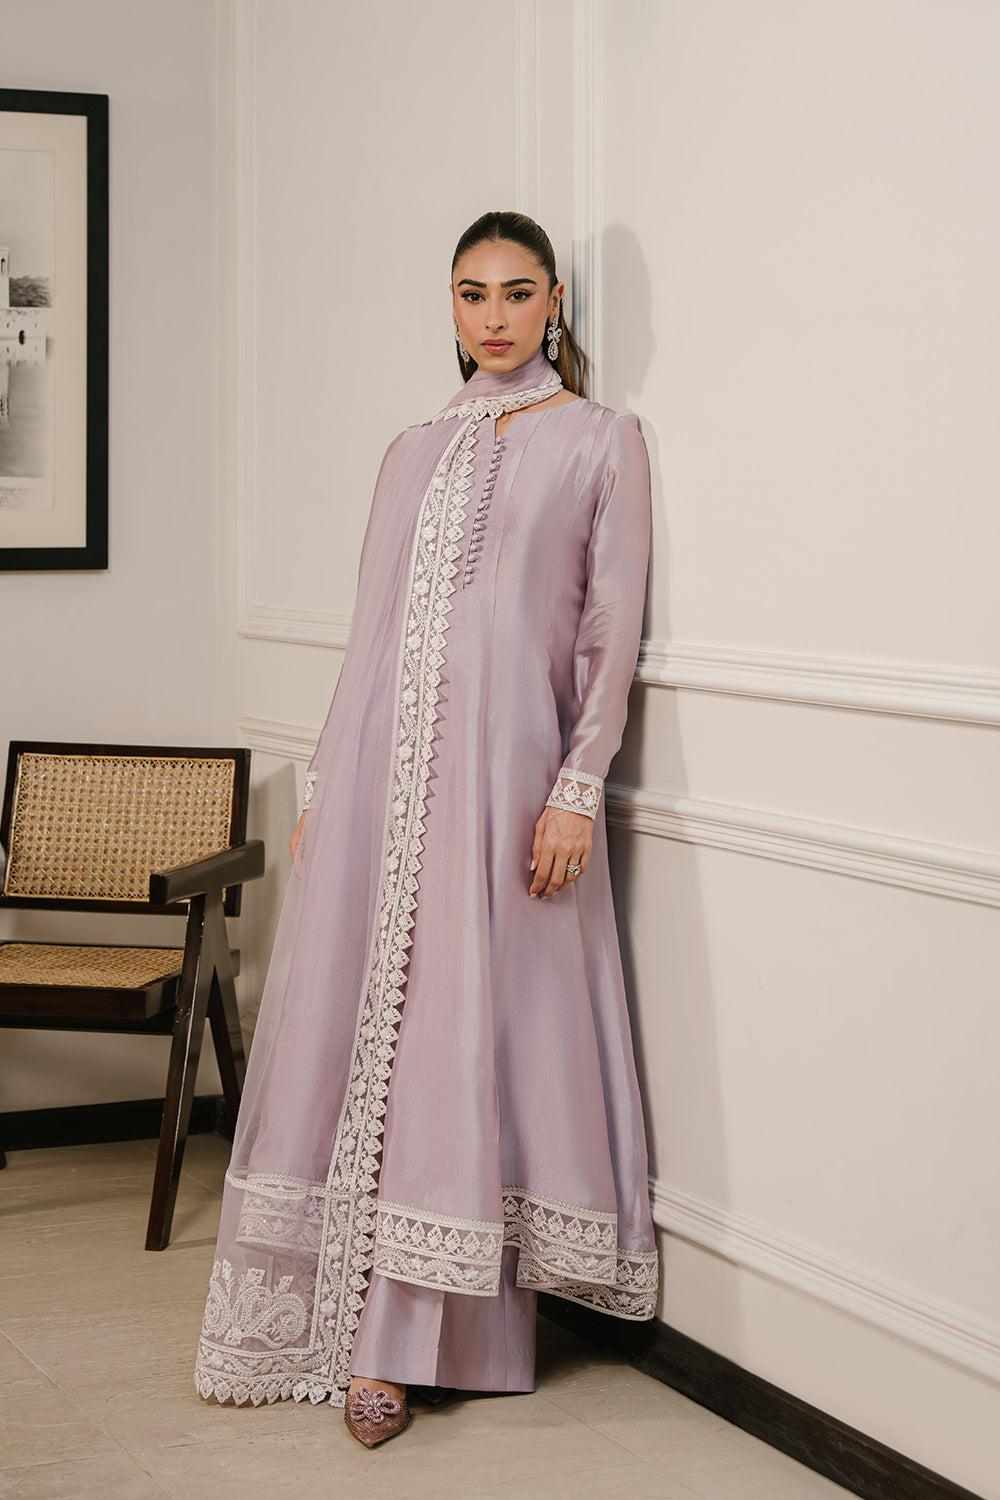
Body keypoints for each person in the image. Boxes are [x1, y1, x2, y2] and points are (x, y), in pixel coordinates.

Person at [194, 211, 658, 1448]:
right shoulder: (410, 450)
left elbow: (608, 634)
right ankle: (367, 1333)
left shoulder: (600, 441)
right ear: (448, 307)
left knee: (465, 1039)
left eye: (516, 292)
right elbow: (372, 635)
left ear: (552, 301)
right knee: (374, 1038)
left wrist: (576, 788)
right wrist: (329, 784)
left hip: (506, 790)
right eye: (470, 293)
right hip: (379, 789)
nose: (493, 316)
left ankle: (425, 1338)